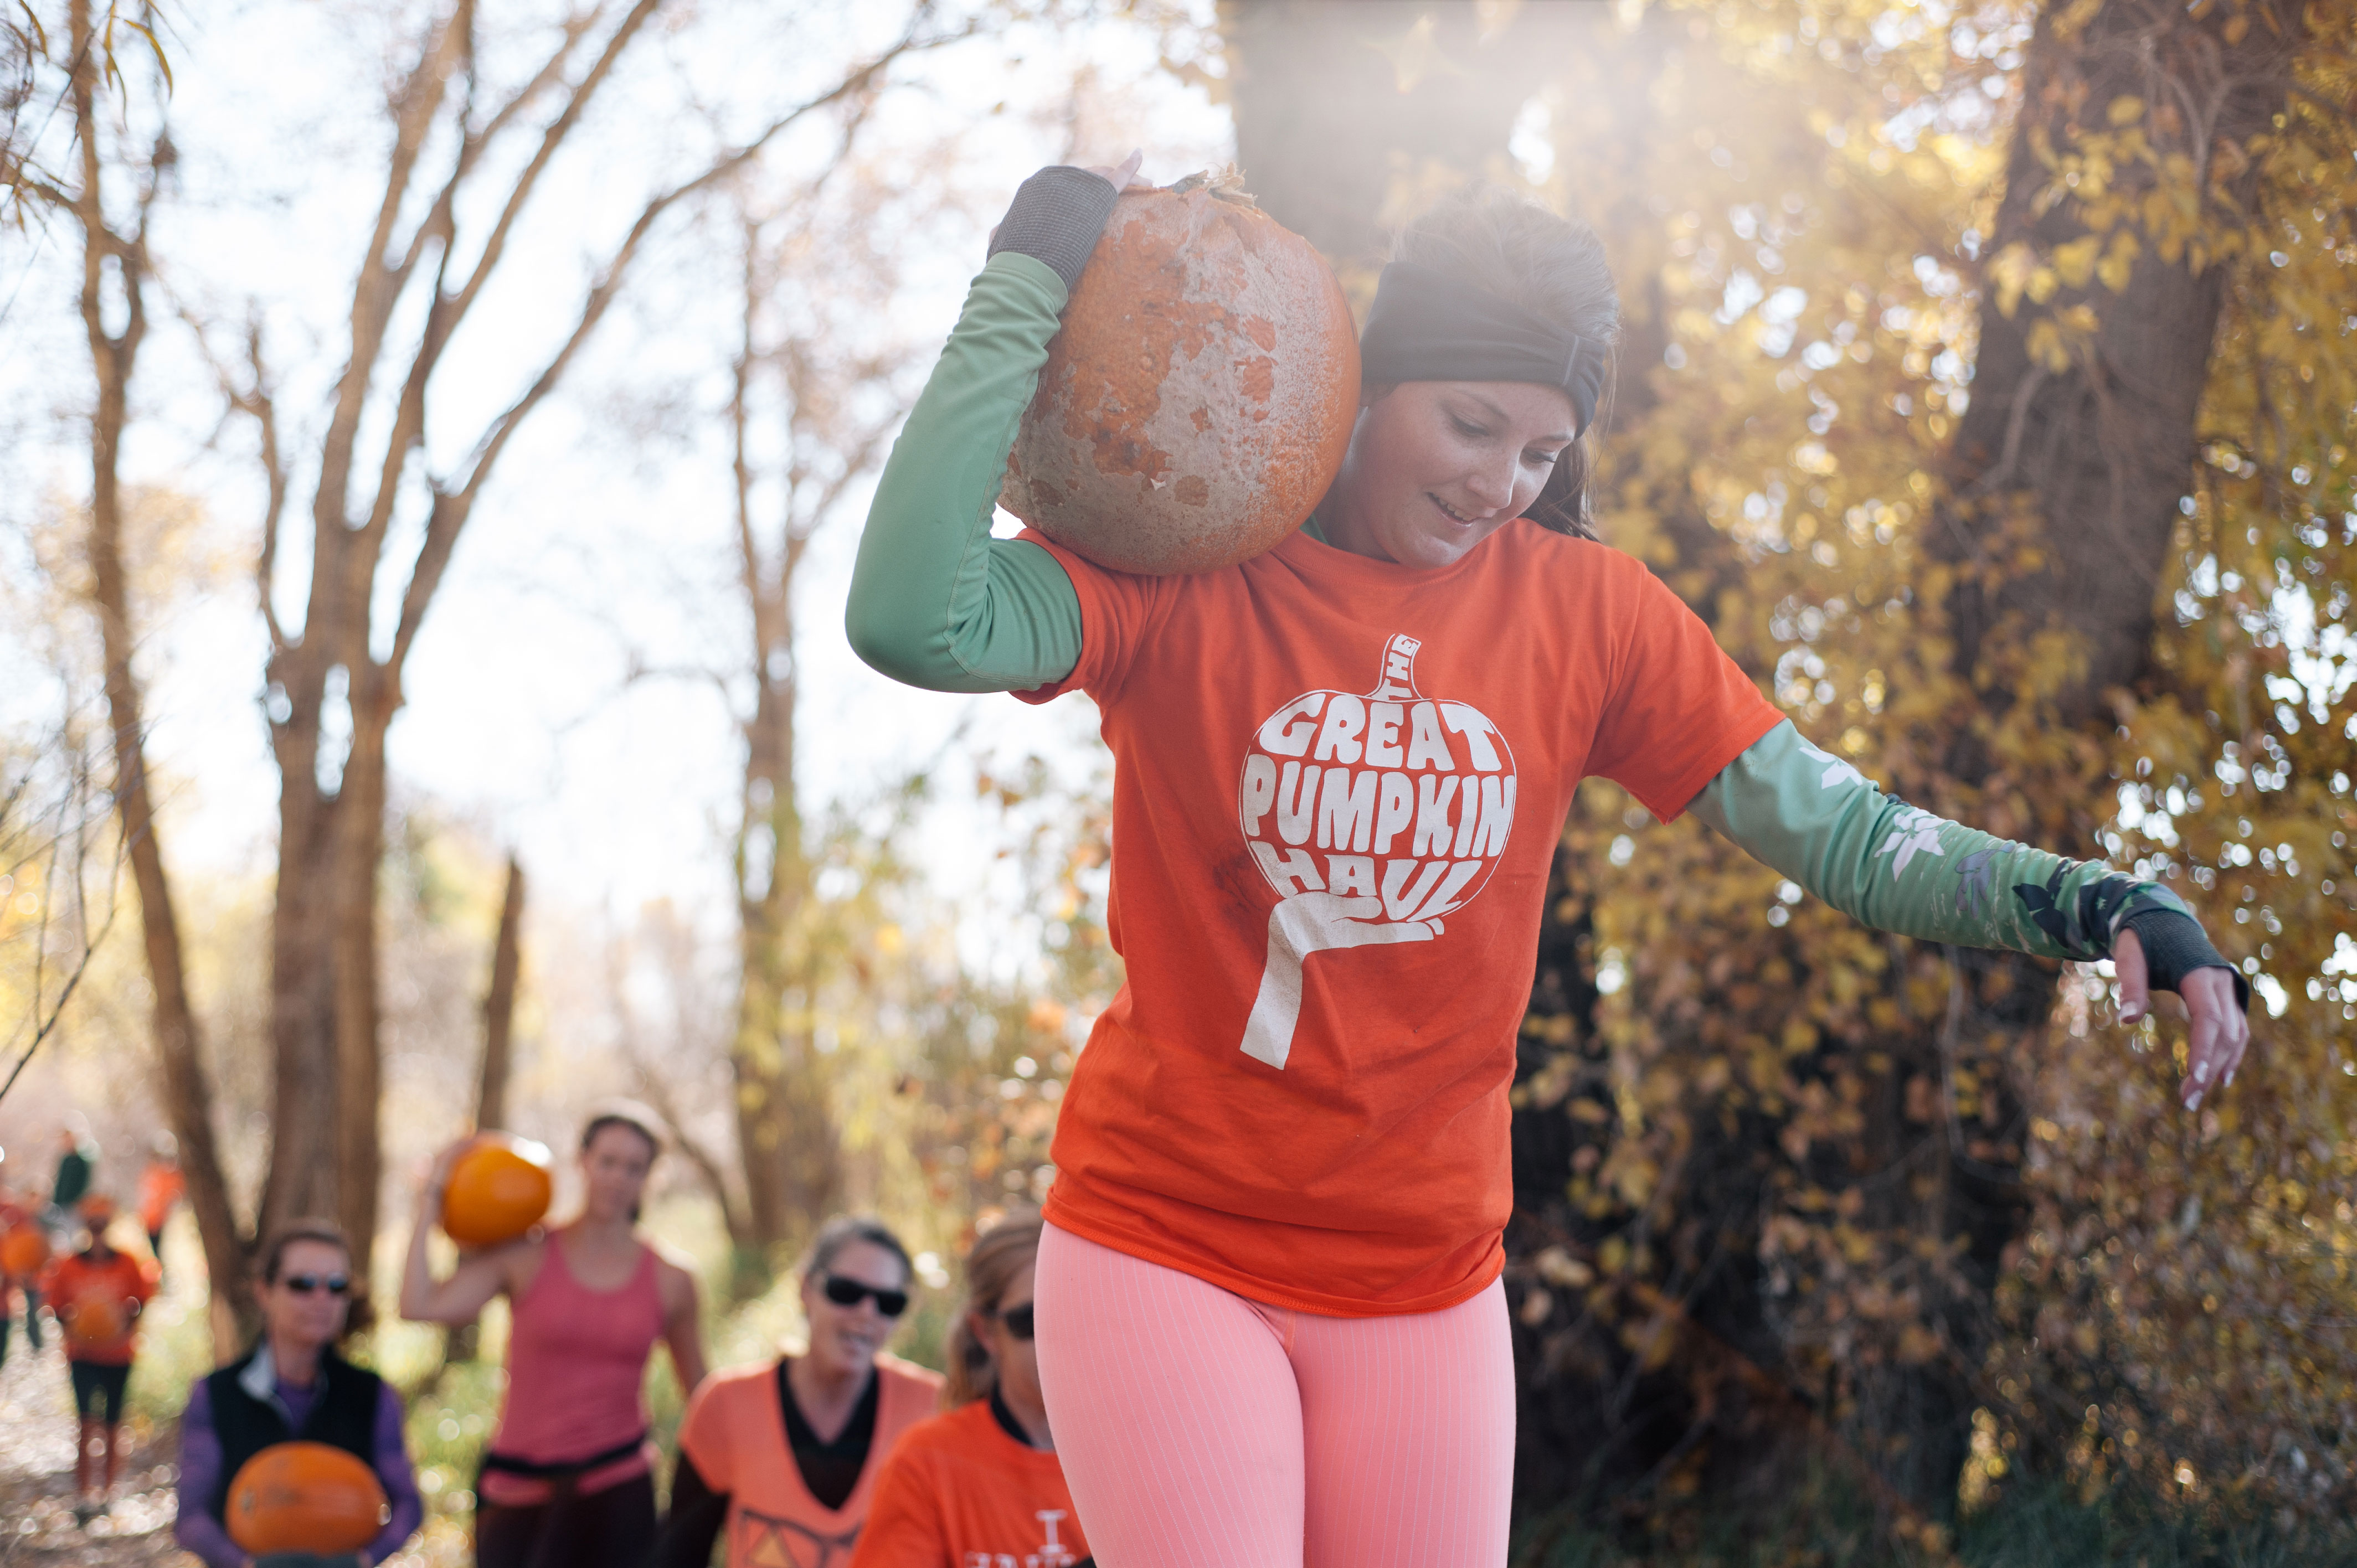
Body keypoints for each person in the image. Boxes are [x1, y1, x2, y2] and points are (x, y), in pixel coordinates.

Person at [843, 160, 2253, 1565]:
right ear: (1372, 379)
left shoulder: (1592, 617)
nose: (1498, 484)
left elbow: (1847, 834)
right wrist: (1028, 275)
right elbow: (915, 614)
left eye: (1541, 450)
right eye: (1470, 423)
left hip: (1422, 1285)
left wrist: (2100, 901)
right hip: (1163, 1245)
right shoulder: (1195, 555)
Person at [398, 1103, 706, 1568]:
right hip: (517, 1491)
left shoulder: (671, 1279)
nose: (618, 1178)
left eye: (634, 1167)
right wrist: (433, 1194)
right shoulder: (527, 1254)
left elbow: (701, 1399)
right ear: (582, 1162)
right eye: (607, 1162)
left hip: (618, 1490)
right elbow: (419, 1305)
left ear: (649, 1178)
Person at [653, 1216, 944, 1568]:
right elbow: (680, 1554)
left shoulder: (934, 1409)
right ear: (805, 1288)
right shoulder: (726, 1405)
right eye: (846, 1292)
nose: (867, 1313)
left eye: (889, 1302)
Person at [176, 1219, 424, 1567]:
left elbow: (408, 1503)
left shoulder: (372, 1395)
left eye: (337, 1286)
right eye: (302, 1284)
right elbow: (191, 1515)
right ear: (264, 1292)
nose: (322, 1298)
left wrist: (364, 1560)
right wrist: (245, 1565)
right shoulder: (217, 1395)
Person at [850, 1217, 1089, 1568]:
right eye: (1032, 1319)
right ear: (986, 1332)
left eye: (1075, 1314)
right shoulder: (928, 1464)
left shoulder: (1142, 1458)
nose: (1058, 1339)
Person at [38, 1193, 157, 1523]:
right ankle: (83, 1494)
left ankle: (106, 1494)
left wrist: (126, 1324)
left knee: (112, 1427)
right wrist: (72, 1327)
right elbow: (54, 1305)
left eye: (103, 1222)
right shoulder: (68, 1264)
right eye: (93, 1222)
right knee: (86, 1425)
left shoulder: (128, 1262)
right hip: (83, 1355)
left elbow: (143, 1297)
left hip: (119, 1355)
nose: (98, 1229)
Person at [137, 1131, 186, 1264]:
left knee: (166, 1254)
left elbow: (176, 1198)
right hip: (151, 1221)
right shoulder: (151, 1172)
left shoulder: (174, 1175)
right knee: (155, 1255)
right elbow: (145, 1197)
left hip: (167, 1221)